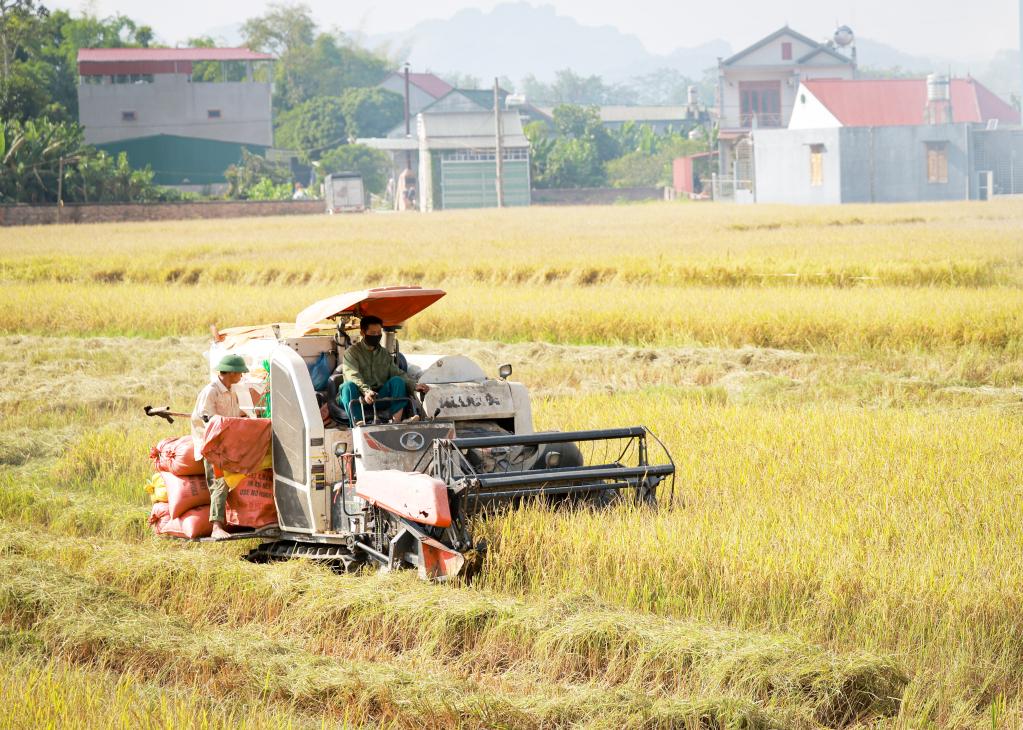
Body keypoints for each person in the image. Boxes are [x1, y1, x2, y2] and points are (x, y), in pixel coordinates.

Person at [191, 353, 249, 540]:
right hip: (212, 446)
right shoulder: (211, 391)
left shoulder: (231, 392)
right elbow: (207, 417)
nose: (241, 376)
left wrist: (246, 418)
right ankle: (216, 526)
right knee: (220, 483)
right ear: (231, 373)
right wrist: (223, 425)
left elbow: (234, 413)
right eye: (240, 373)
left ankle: (232, 521)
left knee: (233, 480)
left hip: (227, 445)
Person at [340, 315, 429, 424]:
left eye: (379, 333)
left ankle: (397, 422)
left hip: (377, 397)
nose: (377, 336)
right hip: (358, 397)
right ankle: (358, 423)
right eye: (373, 333)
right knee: (348, 386)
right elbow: (352, 376)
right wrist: (366, 391)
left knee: (398, 381)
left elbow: (397, 373)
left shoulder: (384, 354)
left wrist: (414, 385)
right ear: (362, 333)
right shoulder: (352, 353)